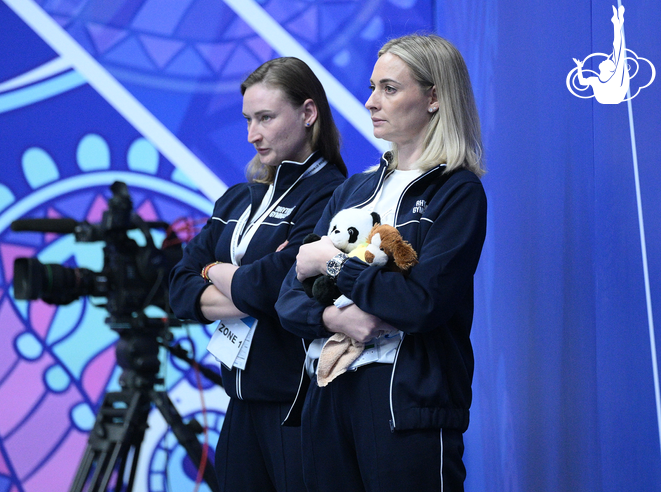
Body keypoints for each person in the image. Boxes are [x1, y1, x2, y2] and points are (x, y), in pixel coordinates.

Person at [275, 34, 487, 492]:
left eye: (389, 88)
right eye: (372, 87)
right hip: (327, 390)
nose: (371, 101)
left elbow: (423, 303)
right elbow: (288, 300)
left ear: (434, 97)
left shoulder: (457, 191)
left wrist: (335, 264)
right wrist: (336, 318)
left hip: (404, 402)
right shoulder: (352, 189)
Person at [168, 57, 347, 492]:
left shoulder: (334, 195)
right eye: (248, 119)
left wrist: (212, 272)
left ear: (308, 114)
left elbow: (275, 289)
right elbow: (177, 289)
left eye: (266, 117)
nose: (252, 134)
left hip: (299, 406)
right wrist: (235, 279)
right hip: (240, 406)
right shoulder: (237, 200)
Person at [573, 5, 629, 104]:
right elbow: (582, 82)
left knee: (618, 51)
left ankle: (617, 23)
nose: (605, 59)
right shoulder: (597, 79)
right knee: (618, 52)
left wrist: (579, 68)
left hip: (614, 96)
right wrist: (579, 67)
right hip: (610, 96)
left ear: (609, 69)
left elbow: (618, 47)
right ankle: (617, 23)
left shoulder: (607, 78)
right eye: (608, 61)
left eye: (607, 61)